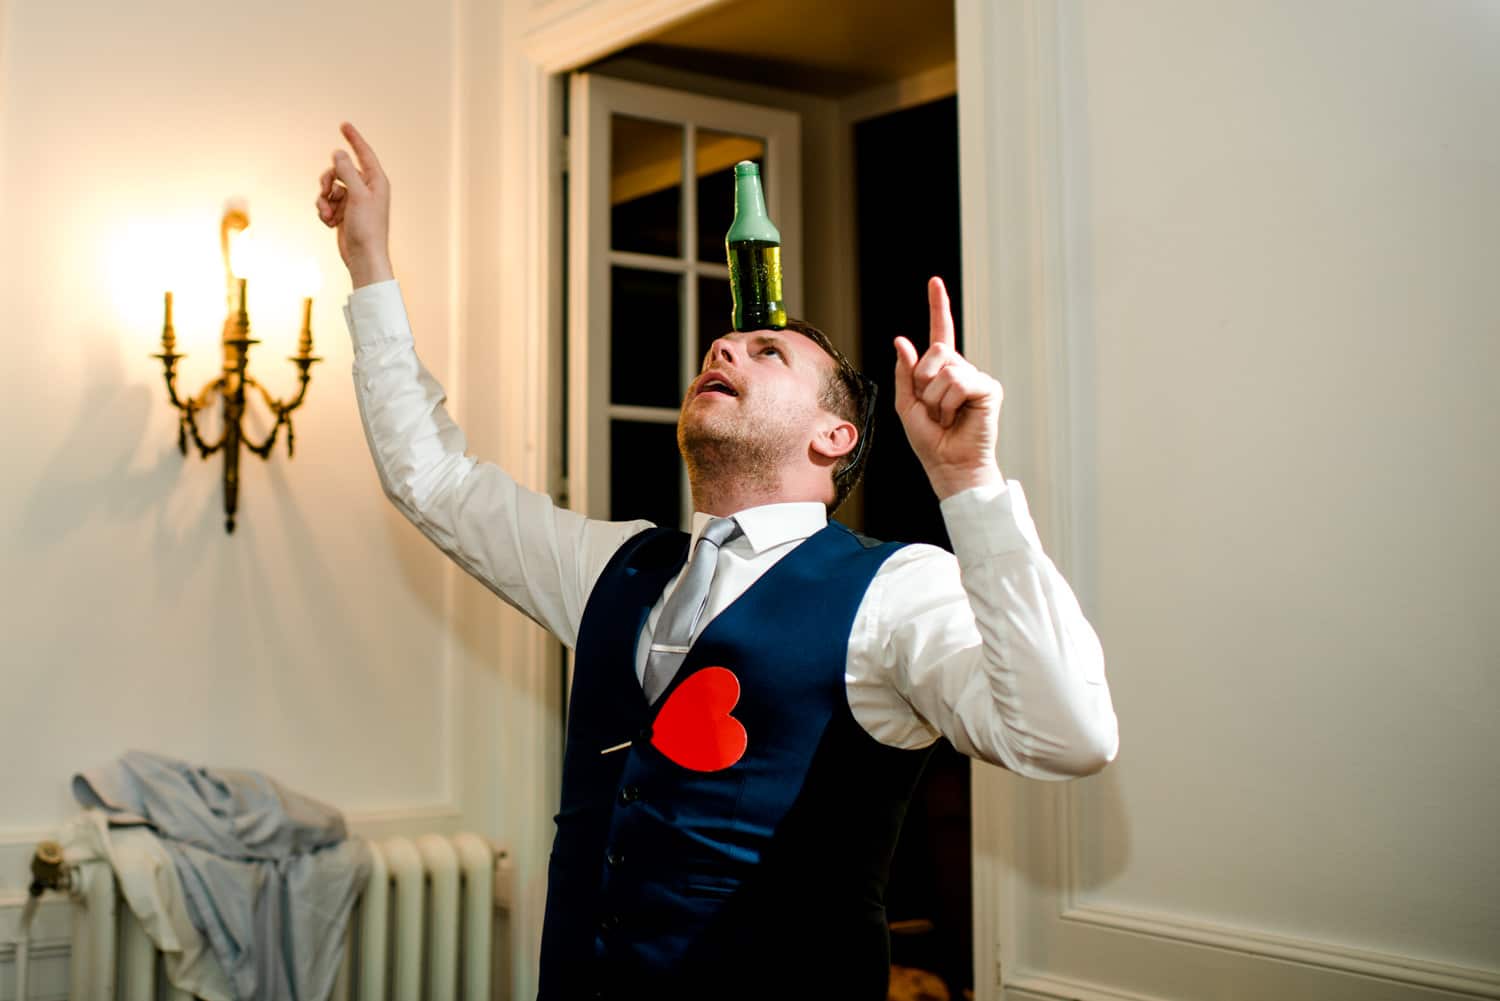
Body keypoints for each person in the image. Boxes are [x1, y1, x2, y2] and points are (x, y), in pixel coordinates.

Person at [316, 121, 1118, 1000]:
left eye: (765, 351)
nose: (723, 346)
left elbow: (1065, 734)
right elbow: (431, 478)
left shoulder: (894, 591)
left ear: (834, 436)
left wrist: (969, 482)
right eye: (723, 347)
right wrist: (369, 266)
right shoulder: (615, 567)